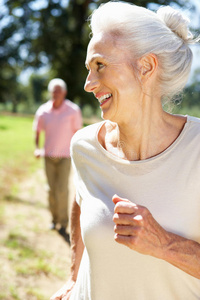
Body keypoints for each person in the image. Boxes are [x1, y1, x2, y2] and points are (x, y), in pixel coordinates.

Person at [51, 2, 200, 299]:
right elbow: (82, 202)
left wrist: (165, 244)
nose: (88, 84)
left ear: (146, 67)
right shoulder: (84, 146)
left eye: (100, 66)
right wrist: (73, 277)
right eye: (88, 69)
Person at [33, 78, 82, 239]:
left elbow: (77, 133)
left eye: (59, 90)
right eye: (53, 90)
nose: (56, 93)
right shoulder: (43, 111)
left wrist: (77, 152)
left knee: (62, 190)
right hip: (48, 156)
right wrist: (37, 148)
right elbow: (37, 130)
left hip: (65, 157)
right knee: (50, 190)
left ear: (64, 92)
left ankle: (64, 222)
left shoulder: (73, 110)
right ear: (50, 92)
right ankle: (54, 220)